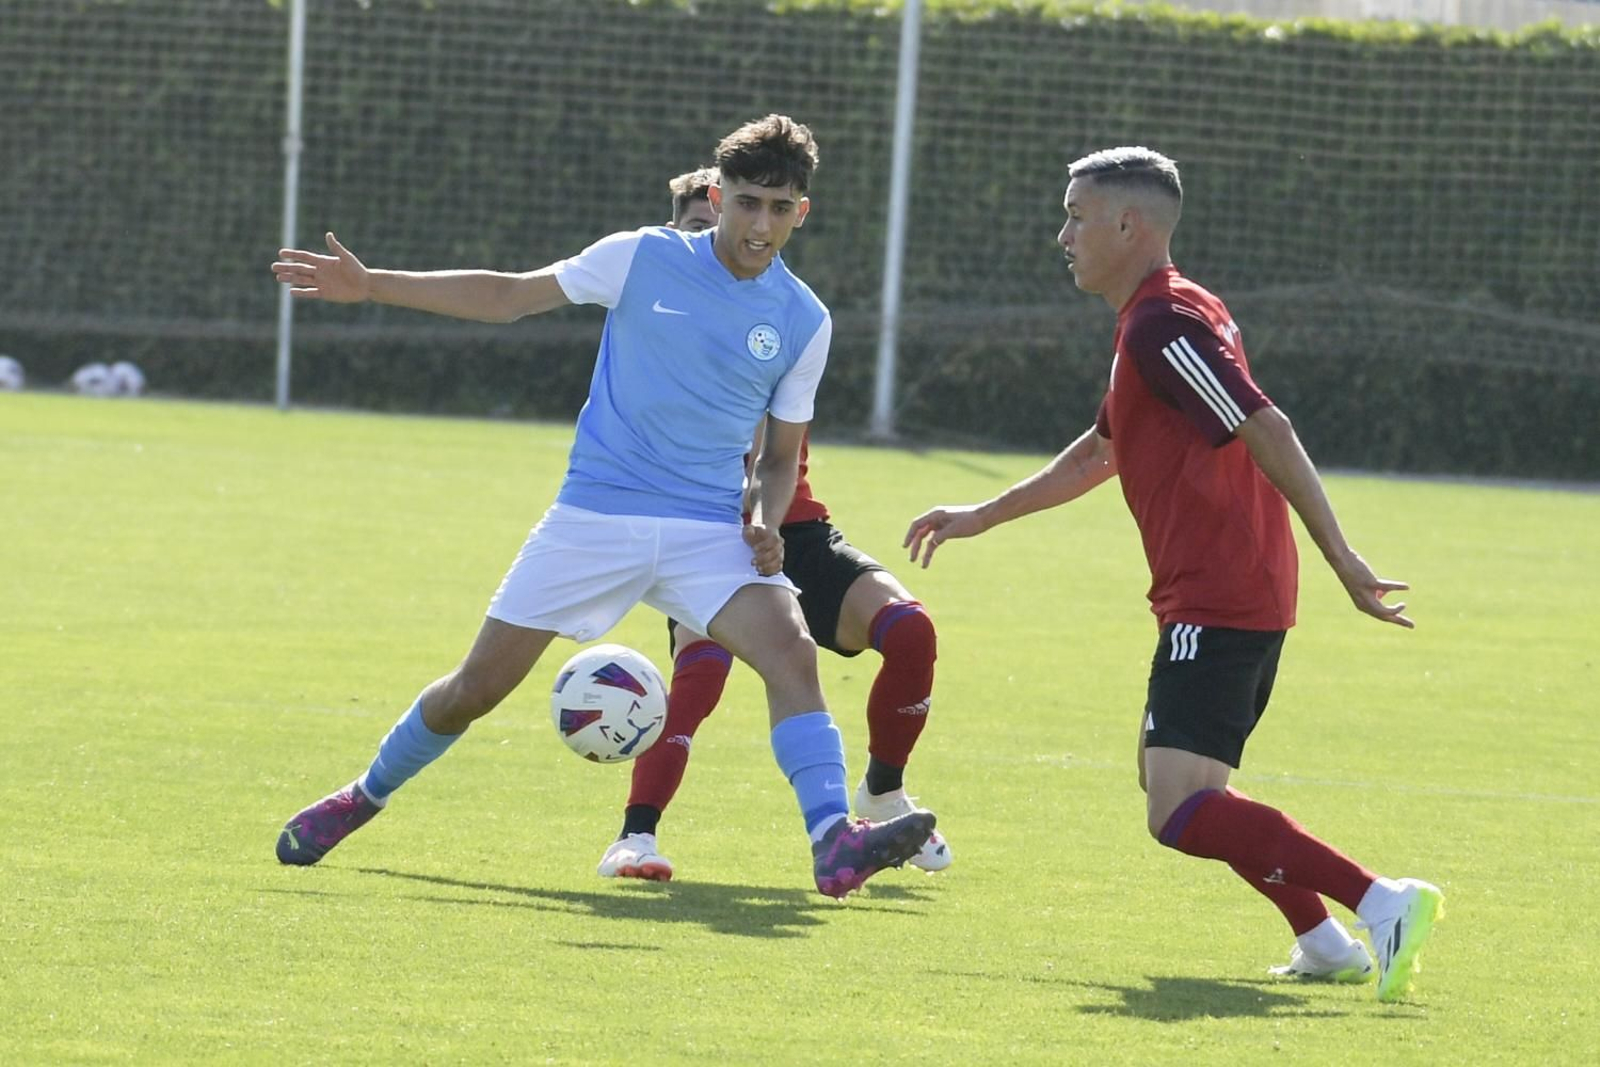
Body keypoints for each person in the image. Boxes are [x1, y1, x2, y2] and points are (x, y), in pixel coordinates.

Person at [269, 114, 935, 899]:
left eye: (779, 207)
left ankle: (832, 840)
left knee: (791, 651)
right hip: (595, 517)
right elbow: (511, 296)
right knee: (474, 690)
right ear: (717, 196)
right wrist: (373, 282)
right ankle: (361, 796)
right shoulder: (641, 257)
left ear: (802, 212)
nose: (760, 224)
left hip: (705, 529)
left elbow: (783, 456)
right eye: (748, 202)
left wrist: (763, 516)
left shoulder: (803, 320)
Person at [903, 147, 1443, 1001]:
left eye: (1077, 215)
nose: (1063, 234)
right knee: (1181, 787)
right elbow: (1103, 449)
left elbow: (1265, 423)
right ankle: (1325, 940)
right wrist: (981, 516)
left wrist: (1345, 558)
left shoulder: (1165, 324)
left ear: (1130, 225)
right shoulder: (1157, 318)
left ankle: (1383, 900)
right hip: (1225, 590)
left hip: (1221, 593)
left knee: (1178, 807)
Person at [596, 167, 949, 882]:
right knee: (703, 667)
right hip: (701, 533)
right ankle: (635, 837)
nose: (721, 240)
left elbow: (782, 457)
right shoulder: (657, 322)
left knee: (911, 629)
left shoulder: (786, 317)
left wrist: (769, 518)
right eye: (699, 228)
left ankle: (881, 794)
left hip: (798, 529)